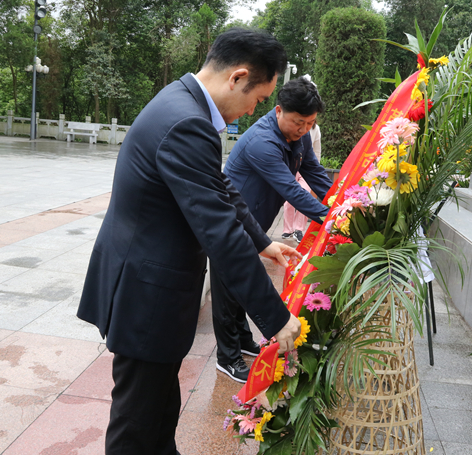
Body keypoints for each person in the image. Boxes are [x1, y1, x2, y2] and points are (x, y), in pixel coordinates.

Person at [77, 28, 302, 455]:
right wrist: (275, 317)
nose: (253, 110)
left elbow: (219, 186)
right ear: (238, 77)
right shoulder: (187, 122)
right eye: (257, 99)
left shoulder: (182, 103)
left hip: (149, 285)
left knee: (159, 410)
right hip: (146, 294)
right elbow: (220, 232)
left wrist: (263, 242)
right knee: (136, 425)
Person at [210, 76, 332, 382]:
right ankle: (227, 356)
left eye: (310, 123)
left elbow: (314, 173)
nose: (303, 129)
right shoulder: (262, 142)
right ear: (278, 111)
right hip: (229, 222)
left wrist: (340, 204)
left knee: (241, 284)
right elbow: (291, 189)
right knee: (227, 288)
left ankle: (242, 340)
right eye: (298, 122)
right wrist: (331, 219)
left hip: (255, 223)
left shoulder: (299, 136)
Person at [282, 120, 322, 242]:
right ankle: (288, 229)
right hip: (291, 168)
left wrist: (314, 169)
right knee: (289, 200)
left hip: (306, 169)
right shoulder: (291, 125)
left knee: (304, 197)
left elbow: (317, 150)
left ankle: (298, 229)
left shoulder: (315, 129)